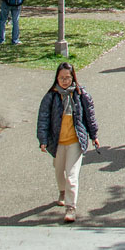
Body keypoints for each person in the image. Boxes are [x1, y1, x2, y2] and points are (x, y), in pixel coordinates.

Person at [37, 62, 99, 223]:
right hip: (57, 143)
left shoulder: (80, 94)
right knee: (59, 172)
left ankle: (71, 208)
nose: (65, 81)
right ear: (56, 78)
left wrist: (94, 136)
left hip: (75, 142)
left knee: (72, 175)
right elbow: (43, 119)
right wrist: (43, 140)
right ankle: (62, 191)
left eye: (68, 77)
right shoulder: (51, 96)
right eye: (61, 78)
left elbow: (90, 117)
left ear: (73, 77)